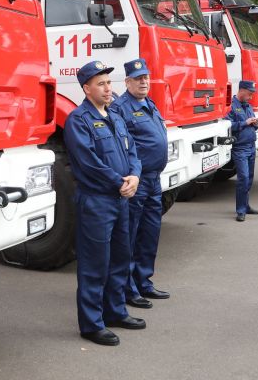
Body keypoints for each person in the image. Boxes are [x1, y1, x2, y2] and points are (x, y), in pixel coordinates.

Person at [64, 60, 144, 347]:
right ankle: (91, 324)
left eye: (109, 82)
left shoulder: (115, 116)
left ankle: (115, 312)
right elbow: (89, 162)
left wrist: (135, 175)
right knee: (94, 264)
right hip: (97, 202)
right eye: (101, 84)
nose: (108, 88)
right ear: (87, 89)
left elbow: (132, 151)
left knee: (120, 259)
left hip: (120, 200)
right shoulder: (78, 120)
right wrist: (119, 182)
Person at [110, 58, 170, 310]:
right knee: (130, 236)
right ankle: (127, 289)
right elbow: (121, 146)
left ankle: (143, 281)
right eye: (138, 79)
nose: (144, 82)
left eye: (146, 77)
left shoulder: (149, 103)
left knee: (150, 233)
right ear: (127, 82)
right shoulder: (120, 108)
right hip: (137, 180)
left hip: (154, 179)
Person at [227, 80, 258, 222]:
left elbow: (252, 125)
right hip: (240, 148)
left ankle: (246, 206)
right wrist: (245, 123)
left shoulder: (248, 106)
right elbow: (228, 125)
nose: (251, 96)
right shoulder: (231, 106)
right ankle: (240, 210)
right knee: (243, 178)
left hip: (251, 146)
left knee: (249, 179)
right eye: (249, 93)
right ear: (241, 90)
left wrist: (255, 123)